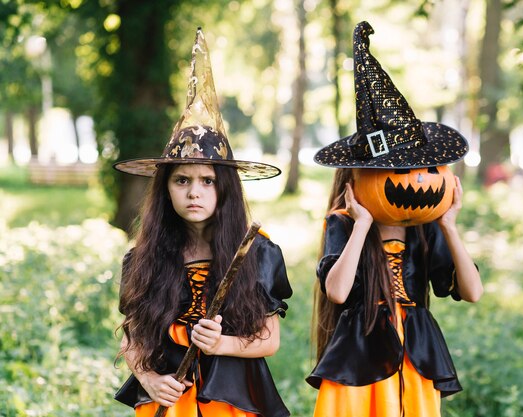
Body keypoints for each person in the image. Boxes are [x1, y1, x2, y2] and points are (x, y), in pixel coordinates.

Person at [306, 22, 483, 417]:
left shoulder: (425, 230)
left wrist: (449, 225)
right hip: (360, 352)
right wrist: (363, 223)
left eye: (423, 168)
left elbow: (472, 291)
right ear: (359, 177)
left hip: (416, 355)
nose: (415, 179)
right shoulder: (344, 223)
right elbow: (337, 291)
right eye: (396, 171)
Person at [113, 28, 292, 417]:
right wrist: (147, 378)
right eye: (182, 181)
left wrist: (222, 344)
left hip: (232, 399)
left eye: (207, 181)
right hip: (170, 400)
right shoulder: (142, 258)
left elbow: (269, 339)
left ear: (223, 188)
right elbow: (132, 336)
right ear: (166, 190)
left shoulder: (256, 252)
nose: (195, 192)